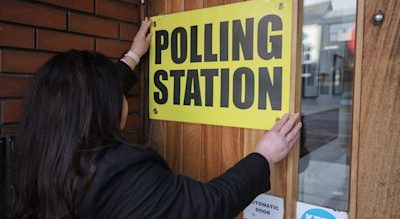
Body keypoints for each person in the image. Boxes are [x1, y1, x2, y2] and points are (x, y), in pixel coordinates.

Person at [6, 18, 301, 219]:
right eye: (115, 94)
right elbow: (208, 206)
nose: (121, 98)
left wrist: (133, 56)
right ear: (101, 109)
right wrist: (263, 154)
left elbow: (82, 98)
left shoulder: (36, 156)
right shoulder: (120, 174)